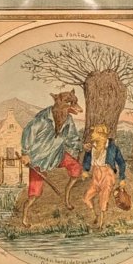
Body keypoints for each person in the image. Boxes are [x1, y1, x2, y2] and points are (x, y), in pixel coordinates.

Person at [20, 89, 83, 227]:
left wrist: (80, 146)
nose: (79, 109)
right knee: (35, 193)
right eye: (72, 104)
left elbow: (72, 138)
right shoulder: (42, 119)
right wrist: (25, 153)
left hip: (57, 155)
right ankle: (24, 216)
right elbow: (28, 133)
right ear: (62, 104)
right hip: (39, 160)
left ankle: (66, 197)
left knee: (76, 168)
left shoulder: (68, 119)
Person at [82, 124, 126, 229]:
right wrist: (86, 170)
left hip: (107, 174)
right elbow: (87, 159)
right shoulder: (91, 147)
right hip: (96, 174)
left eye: (94, 132)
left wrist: (122, 178)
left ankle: (101, 224)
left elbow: (121, 163)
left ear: (101, 134)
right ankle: (95, 215)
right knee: (86, 198)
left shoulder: (112, 148)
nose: (92, 134)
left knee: (104, 199)